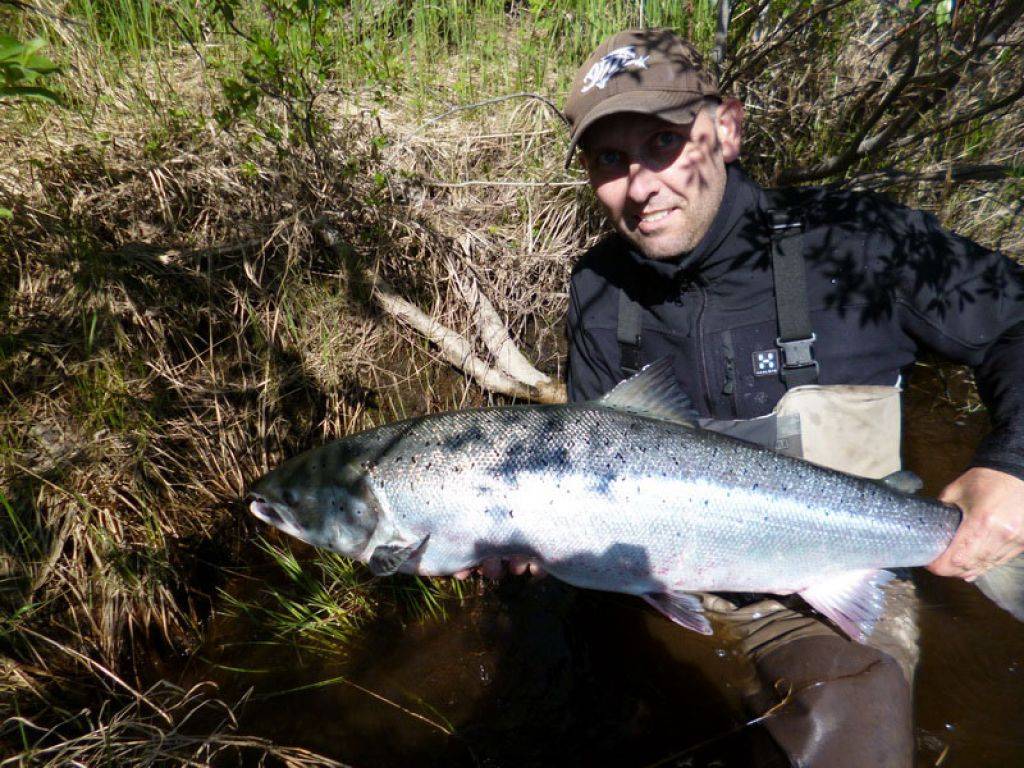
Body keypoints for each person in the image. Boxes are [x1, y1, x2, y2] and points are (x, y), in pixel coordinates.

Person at [556, 27, 1024, 768]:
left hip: (830, 578)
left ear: (728, 127)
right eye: (610, 159)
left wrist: (1013, 465)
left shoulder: (863, 243)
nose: (640, 186)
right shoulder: (596, 288)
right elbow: (583, 462)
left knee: (847, 729)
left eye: (662, 144)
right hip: (647, 585)